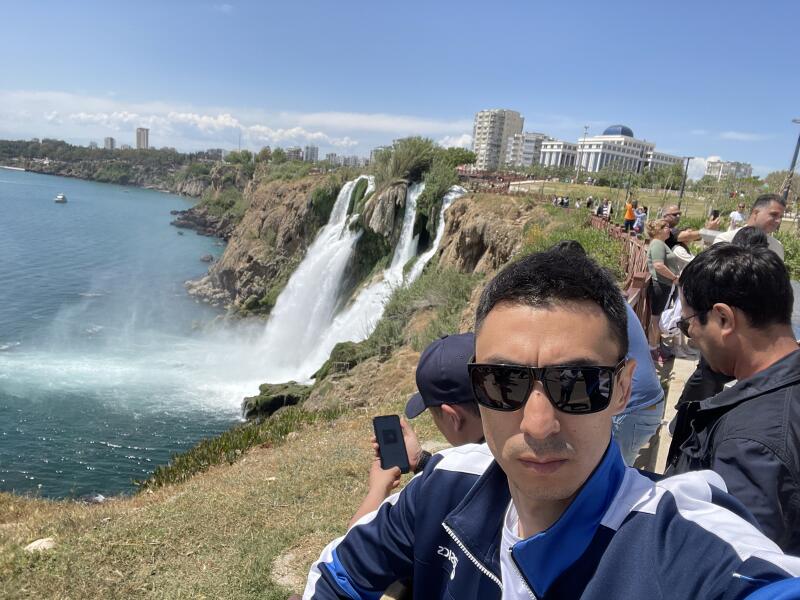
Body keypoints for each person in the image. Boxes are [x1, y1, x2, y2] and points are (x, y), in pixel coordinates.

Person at [303, 250, 800, 600]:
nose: (538, 425)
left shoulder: (683, 546)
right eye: (504, 382)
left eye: (578, 384)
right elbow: (337, 575)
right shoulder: (444, 485)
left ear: (623, 389)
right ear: (477, 386)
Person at [667, 243, 800, 553]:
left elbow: (732, 568)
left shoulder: (749, 444)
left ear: (723, 319)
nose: (691, 337)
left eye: (687, 324)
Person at [348, 333, 483, 526]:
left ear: (453, 417)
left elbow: (355, 546)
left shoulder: (437, 493)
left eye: (435, 416)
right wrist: (421, 460)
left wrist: (378, 490)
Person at [552, 241, 664, 466]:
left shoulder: (589, 310)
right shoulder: (606, 297)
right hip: (643, 404)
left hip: (633, 409)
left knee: (612, 477)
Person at [645, 218, 680, 363]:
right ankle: (652, 349)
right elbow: (658, 265)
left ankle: (655, 346)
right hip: (661, 285)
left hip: (663, 285)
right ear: (658, 230)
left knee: (657, 318)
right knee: (656, 319)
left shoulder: (659, 243)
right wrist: (674, 278)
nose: (669, 229)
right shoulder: (658, 244)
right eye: (665, 227)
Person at [713, 193, 786, 259]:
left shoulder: (777, 247)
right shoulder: (724, 240)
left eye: (780, 217)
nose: (778, 221)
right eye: (773, 214)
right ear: (756, 212)